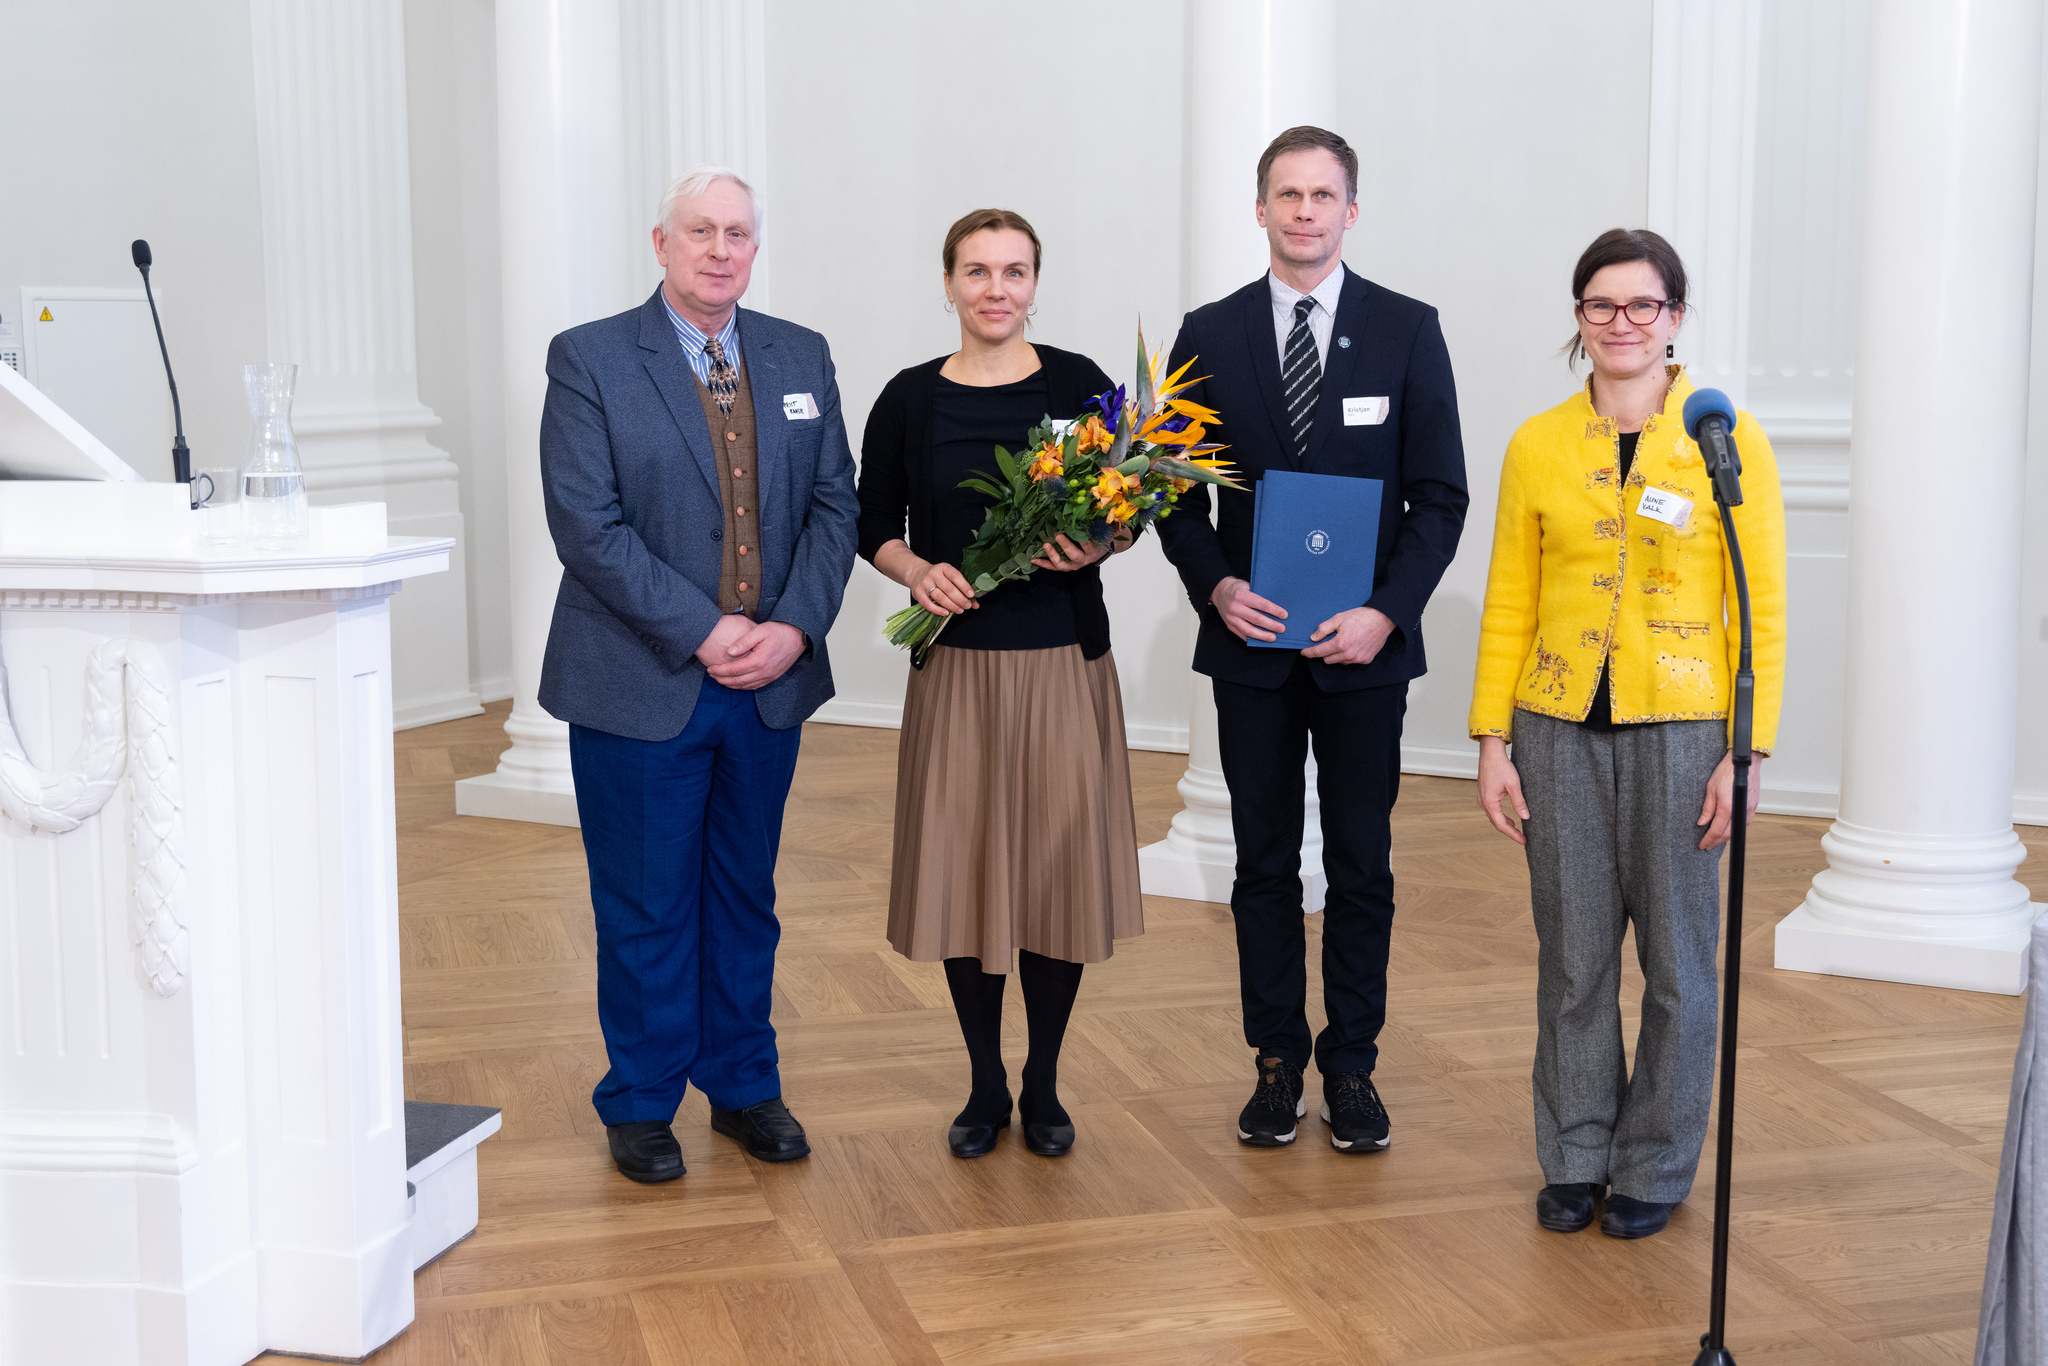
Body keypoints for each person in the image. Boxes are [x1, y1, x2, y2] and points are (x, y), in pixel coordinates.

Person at [537, 166, 859, 1183]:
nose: (721, 249)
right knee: (644, 900)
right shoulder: (590, 359)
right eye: (700, 231)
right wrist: (705, 630)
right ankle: (639, 1098)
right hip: (642, 681)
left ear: (754, 248)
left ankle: (744, 1085)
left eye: (738, 233)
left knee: (744, 894)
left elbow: (834, 508)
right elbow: (586, 525)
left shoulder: (797, 353)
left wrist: (794, 629)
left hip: (768, 684)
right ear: (660, 242)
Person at [1156, 127, 1468, 1152]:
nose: (1302, 212)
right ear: (1258, 209)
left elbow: (1439, 498)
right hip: (1249, 648)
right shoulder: (1207, 331)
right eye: (1284, 194)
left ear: (1349, 211)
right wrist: (1214, 585)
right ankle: (1276, 1060)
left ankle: (1352, 1066)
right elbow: (1168, 497)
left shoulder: (1406, 330)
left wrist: (1385, 609)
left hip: (1362, 653)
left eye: (1321, 195)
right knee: (1260, 864)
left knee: (1361, 864)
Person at [1469, 228, 1785, 1240]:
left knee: (1682, 963)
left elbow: (1760, 605)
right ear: (1577, 319)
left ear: (1674, 318)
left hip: (1685, 728)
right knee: (1571, 955)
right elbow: (1508, 596)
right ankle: (1572, 1152)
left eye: (1641, 305)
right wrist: (1489, 739)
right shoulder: (1536, 442)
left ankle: (1652, 1161)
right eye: (1600, 305)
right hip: (1554, 724)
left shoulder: (1723, 437)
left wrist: (1745, 753)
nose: (1620, 323)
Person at [856, 208, 1143, 1161]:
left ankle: (1044, 1082)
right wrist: (914, 574)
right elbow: (872, 524)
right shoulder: (908, 399)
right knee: (966, 876)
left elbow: (1130, 508)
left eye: (1013, 272)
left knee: (1056, 877)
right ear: (948, 285)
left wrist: (1100, 538)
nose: (995, 289)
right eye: (976, 272)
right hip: (958, 670)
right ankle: (984, 1084)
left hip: (1063, 662)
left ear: (1034, 284)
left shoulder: (1078, 384)